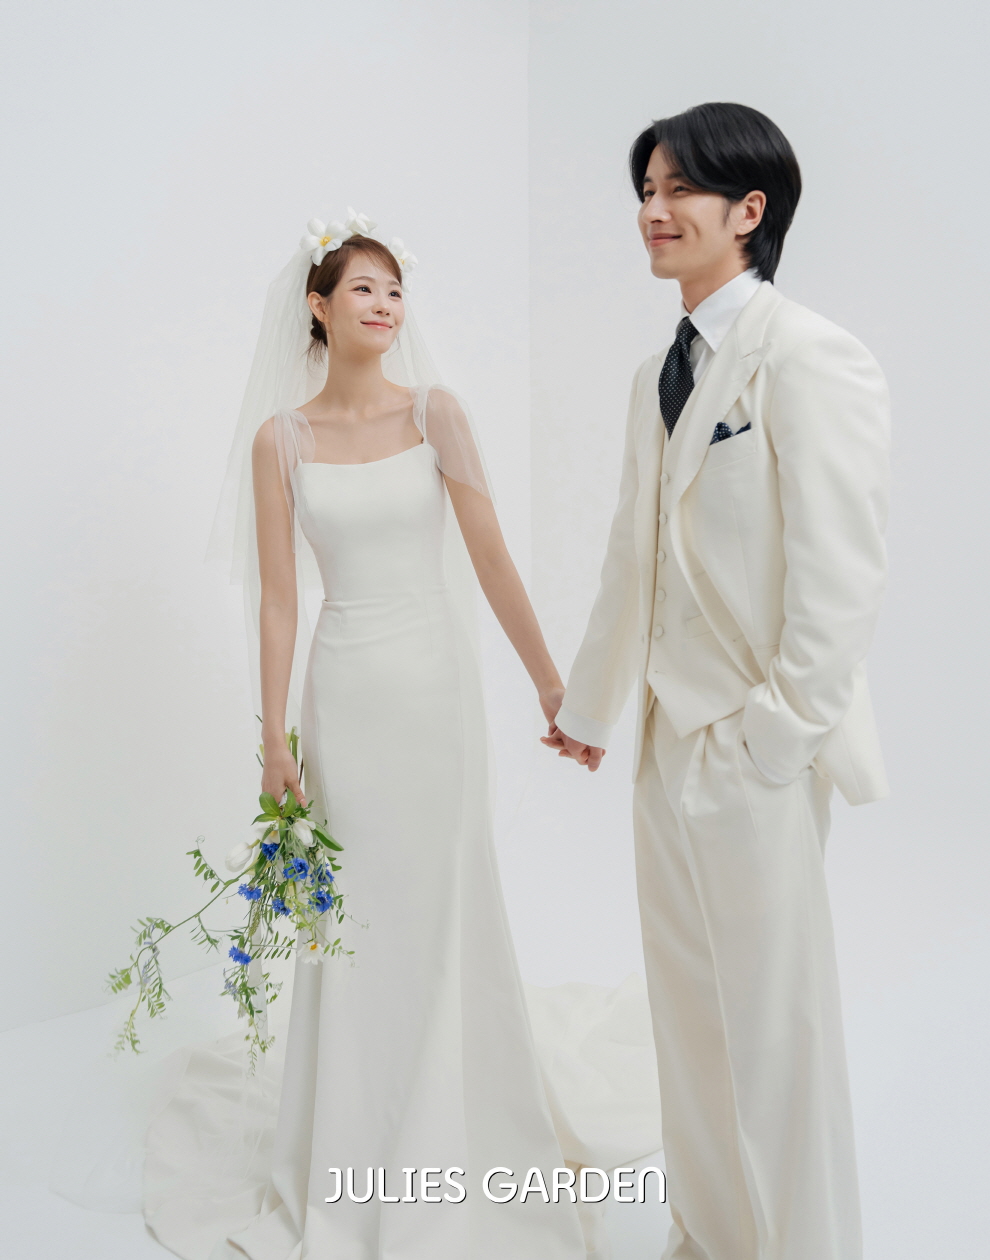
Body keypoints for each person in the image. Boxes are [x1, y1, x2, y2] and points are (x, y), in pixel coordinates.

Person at [138, 220, 658, 1260]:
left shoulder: (436, 414)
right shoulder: (280, 440)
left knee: (444, 895)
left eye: (394, 290)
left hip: (434, 691)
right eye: (361, 289)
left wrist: (554, 687)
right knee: (358, 916)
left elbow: (493, 557)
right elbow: (279, 601)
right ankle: (355, 1141)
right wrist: (275, 740)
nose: (384, 305)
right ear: (318, 307)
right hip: (347, 693)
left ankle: (459, 1128)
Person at [543, 103, 890, 1260]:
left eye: (678, 188)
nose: (653, 209)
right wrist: (593, 709)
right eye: (645, 188)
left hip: (753, 744)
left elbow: (842, 575)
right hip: (664, 736)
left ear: (750, 210)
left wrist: (777, 737)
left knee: (776, 1031)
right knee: (688, 1019)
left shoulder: (811, 355)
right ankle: (710, 1237)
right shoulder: (658, 371)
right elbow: (633, 554)